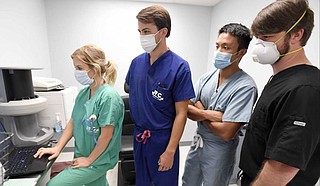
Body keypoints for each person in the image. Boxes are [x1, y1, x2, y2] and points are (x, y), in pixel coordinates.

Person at [239, 0, 320, 185]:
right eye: (258, 37)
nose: (259, 44)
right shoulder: (281, 79)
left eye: (267, 37)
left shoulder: (305, 89)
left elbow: (282, 167)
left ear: (296, 35)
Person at [34, 44, 124, 186]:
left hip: (98, 160)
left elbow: (106, 136)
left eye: (79, 68)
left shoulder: (109, 97)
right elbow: (73, 121)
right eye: (76, 68)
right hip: (83, 154)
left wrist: (89, 160)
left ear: (94, 68)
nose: (77, 72)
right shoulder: (83, 94)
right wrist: (58, 148)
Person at [124, 5, 195, 186]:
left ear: (163, 32)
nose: (142, 36)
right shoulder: (136, 63)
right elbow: (131, 90)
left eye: (146, 31)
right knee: (142, 182)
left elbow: (182, 113)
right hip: (140, 136)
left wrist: (170, 151)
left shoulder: (179, 67)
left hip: (163, 140)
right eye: (140, 31)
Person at [181, 23, 258, 186]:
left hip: (220, 151)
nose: (219, 52)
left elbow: (226, 132)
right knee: (188, 182)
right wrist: (213, 115)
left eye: (226, 47)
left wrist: (200, 111)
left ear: (241, 53)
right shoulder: (206, 78)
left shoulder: (245, 87)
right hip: (197, 144)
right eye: (217, 46)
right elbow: (186, 107)